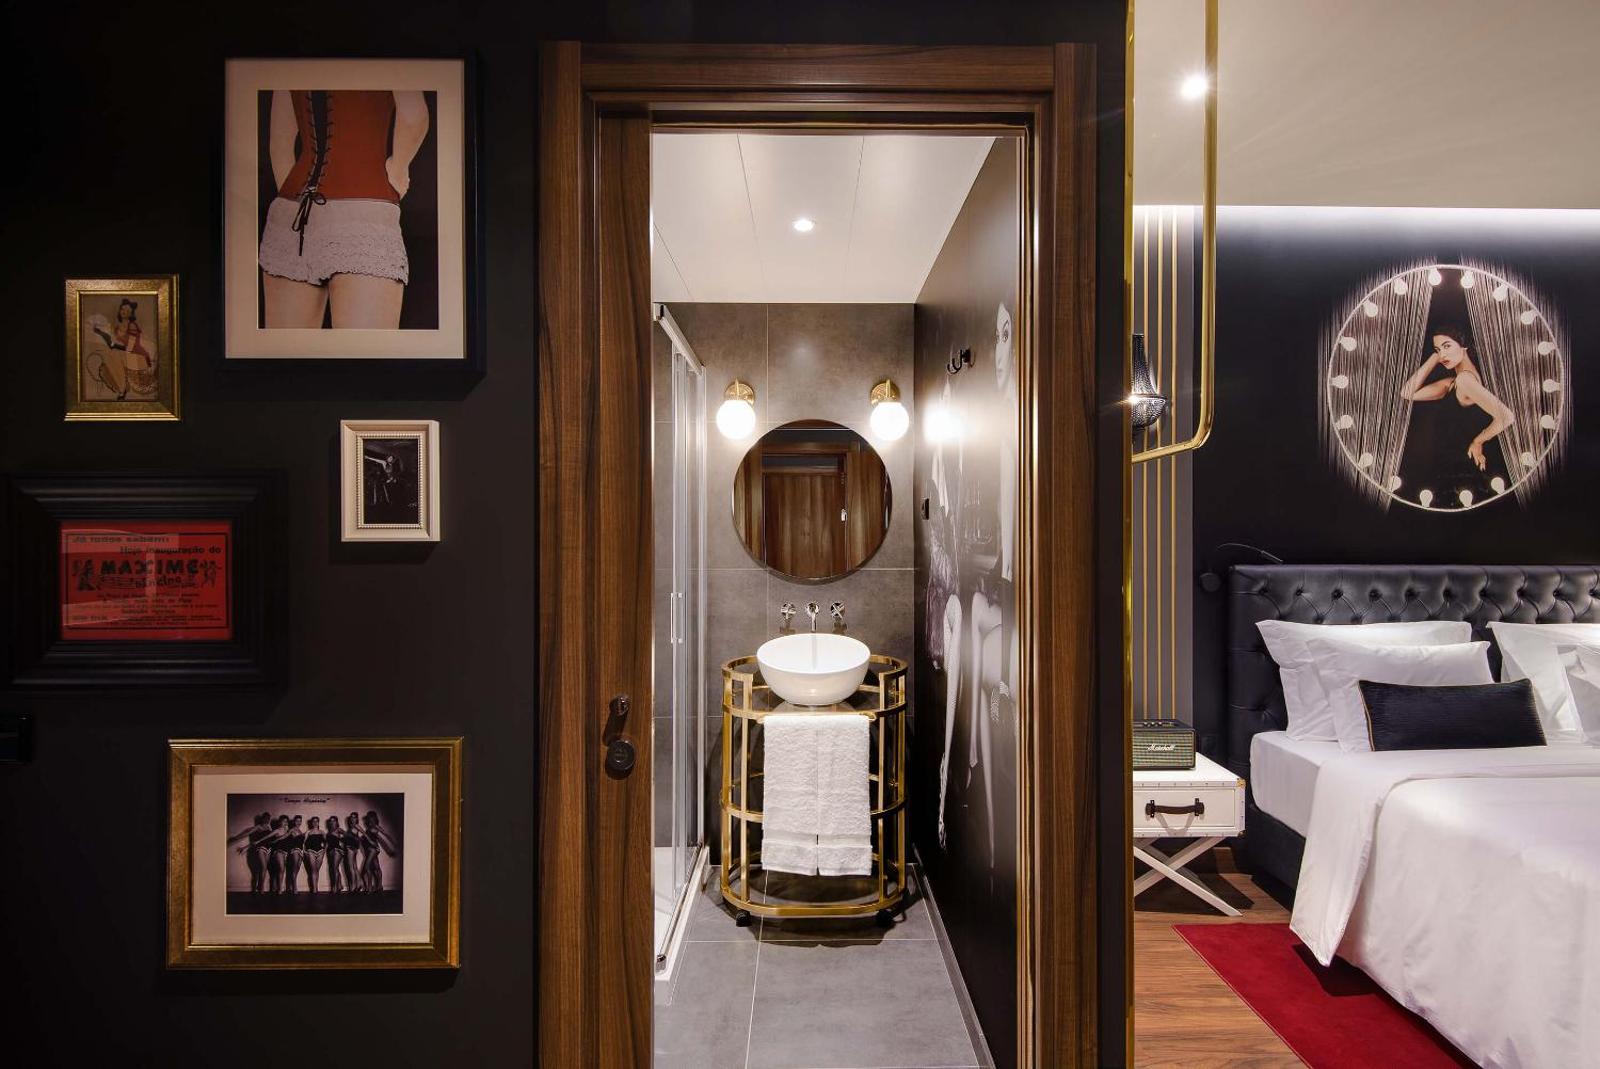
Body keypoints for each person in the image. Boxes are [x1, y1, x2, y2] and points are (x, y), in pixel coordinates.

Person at [258, 89, 429, 329]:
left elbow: (280, 143)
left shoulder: (286, 64)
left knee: (287, 351)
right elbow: (413, 116)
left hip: (291, 213)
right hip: (364, 214)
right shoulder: (388, 61)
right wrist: (398, 170)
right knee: (364, 353)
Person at [1397, 324, 1515, 508]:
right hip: (1452, 467)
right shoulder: (1453, 382)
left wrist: (1478, 441)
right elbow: (1407, 393)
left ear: (1464, 345)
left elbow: (1507, 417)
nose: (1442, 355)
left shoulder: (1465, 380)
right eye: (1438, 349)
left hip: (1467, 467)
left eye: (1447, 346)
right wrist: (1434, 358)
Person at [88, 299, 157, 399]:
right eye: (123, 309)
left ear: (131, 314)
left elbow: (130, 347)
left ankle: (122, 390)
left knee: (115, 353)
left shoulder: (132, 325)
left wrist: (114, 346)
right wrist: (100, 332)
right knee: (111, 354)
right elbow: (110, 340)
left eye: (128, 311)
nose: (124, 312)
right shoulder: (118, 327)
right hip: (125, 354)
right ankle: (121, 387)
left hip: (137, 356)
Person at [228, 812, 275, 894]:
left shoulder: (269, 827)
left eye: (268, 818)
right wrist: (236, 838)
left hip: (269, 849)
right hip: (261, 848)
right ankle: (261, 887)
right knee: (263, 867)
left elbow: (268, 838)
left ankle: (259, 886)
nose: (267, 820)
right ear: (262, 819)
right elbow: (247, 833)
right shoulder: (258, 827)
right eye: (265, 818)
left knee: (263, 868)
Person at [361, 811, 399, 894]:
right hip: (370, 849)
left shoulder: (376, 826)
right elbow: (375, 838)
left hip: (373, 849)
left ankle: (370, 888)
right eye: (369, 818)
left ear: (375, 818)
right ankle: (379, 886)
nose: (371, 820)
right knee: (376, 867)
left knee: (367, 867)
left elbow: (386, 835)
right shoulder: (369, 827)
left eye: (372, 818)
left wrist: (394, 844)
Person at [300, 816, 327, 894]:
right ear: (311, 823)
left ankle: (315, 887)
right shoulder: (308, 832)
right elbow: (303, 843)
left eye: (316, 821)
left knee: (316, 870)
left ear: (318, 822)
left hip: (320, 852)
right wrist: (304, 851)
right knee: (313, 870)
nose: (315, 823)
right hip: (311, 851)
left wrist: (324, 851)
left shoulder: (322, 832)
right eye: (313, 821)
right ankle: (314, 889)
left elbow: (326, 843)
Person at [325, 815, 348, 894]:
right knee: (333, 868)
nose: (332, 822)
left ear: (337, 822)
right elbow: (328, 843)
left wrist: (341, 841)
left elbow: (348, 836)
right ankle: (339, 885)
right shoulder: (329, 832)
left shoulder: (339, 829)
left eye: (334, 820)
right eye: (331, 821)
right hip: (330, 851)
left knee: (334, 868)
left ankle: (334, 887)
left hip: (337, 850)